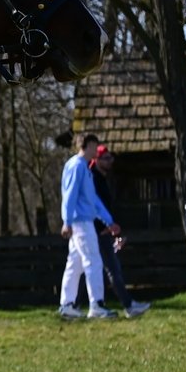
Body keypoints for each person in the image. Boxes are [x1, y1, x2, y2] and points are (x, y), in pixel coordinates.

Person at [58, 133, 120, 319]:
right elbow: (70, 195)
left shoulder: (84, 168)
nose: (97, 150)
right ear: (88, 145)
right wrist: (66, 221)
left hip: (81, 220)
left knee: (75, 264)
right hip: (81, 222)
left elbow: (92, 199)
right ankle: (97, 304)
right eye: (95, 146)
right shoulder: (77, 167)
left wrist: (108, 220)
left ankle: (67, 304)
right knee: (93, 261)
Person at [87, 147, 149, 318]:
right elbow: (94, 207)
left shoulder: (102, 178)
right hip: (99, 231)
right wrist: (104, 228)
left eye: (110, 158)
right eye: (106, 158)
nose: (110, 161)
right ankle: (126, 305)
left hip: (105, 229)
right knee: (111, 268)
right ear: (97, 160)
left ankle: (121, 304)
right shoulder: (92, 179)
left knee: (105, 268)